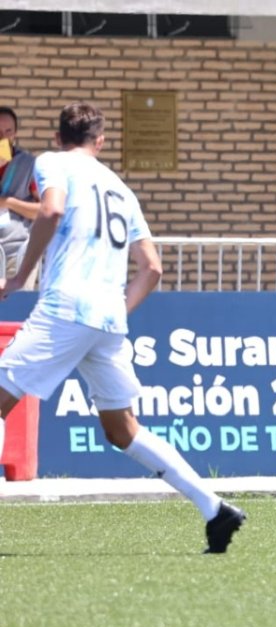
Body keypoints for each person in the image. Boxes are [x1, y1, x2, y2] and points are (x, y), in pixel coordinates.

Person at [0, 102, 245, 553]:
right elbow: (152, 268)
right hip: (109, 318)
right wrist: (114, 311)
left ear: (57, 138)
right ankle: (214, 508)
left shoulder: (51, 162)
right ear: (102, 142)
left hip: (65, 307)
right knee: (122, 429)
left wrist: (18, 278)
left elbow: (50, 212)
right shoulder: (121, 188)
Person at [0, 106, 39, 277]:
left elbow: (43, 211)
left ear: (15, 134)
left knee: (13, 303)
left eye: (8, 131)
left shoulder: (28, 164)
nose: (3, 137)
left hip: (16, 254)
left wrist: (9, 202)